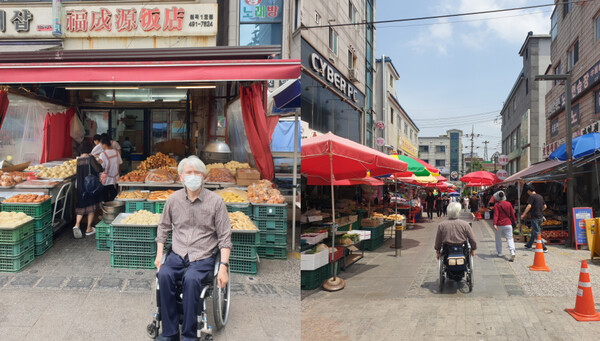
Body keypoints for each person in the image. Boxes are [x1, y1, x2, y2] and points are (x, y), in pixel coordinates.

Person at [154, 156, 232, 341]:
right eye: (189, 173)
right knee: (164, 276)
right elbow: (163, 228)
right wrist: (159, 255)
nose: (193, 176)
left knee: (191, 280)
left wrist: (223, 267)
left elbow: (224, 237)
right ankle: (170, 332)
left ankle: (189, 335)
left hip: (203, 256)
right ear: (181, 177)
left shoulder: (216, 202)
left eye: (197, 173)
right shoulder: (173, 200)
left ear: (203, 177)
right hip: (177, 253)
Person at [73, 154, 103, 238]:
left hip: (80, 187)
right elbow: (98, 169)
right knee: (91, 207)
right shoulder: (90, 158)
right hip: (90, 186)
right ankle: (88, 228)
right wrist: (99, 163)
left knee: (81, 206)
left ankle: (77, 225)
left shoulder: (78, 160)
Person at [521, 183, 548, 252]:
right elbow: (545, 206)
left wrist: (523, 214)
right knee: (534, 231)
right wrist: (539, 210)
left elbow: (529, 206)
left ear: (529, 190)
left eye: (527, 191)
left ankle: (544, 248)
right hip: (540, 217)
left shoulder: (532, 197)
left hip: (535, 217)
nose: (527, 192)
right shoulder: (540, 196)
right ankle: (529, 245)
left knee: (536, 232)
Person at [493, 190, 516, 261]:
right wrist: (514, 221)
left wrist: (494, 224)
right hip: (508, 224)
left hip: (499, 224)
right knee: (509, 238)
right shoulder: (509, 204)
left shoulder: (497, 205)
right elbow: (512, 214)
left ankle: (499, 252)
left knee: (498, 239)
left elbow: (496, 215)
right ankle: (512, 251)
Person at [97, 136, 120, 202]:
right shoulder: (116, 152)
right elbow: (119, 165)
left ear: (104, 144)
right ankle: (114, 211)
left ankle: (107, 211)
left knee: (106, 198)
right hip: (116, 179)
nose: (101, 146)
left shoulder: (102, 154)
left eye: (101, 144)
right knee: (114, 197)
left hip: (107, 180)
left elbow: (102, 168)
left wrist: (98, 163)